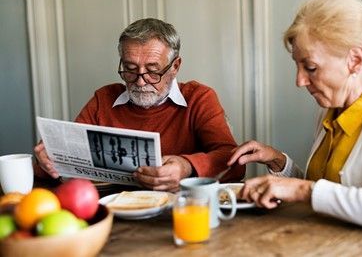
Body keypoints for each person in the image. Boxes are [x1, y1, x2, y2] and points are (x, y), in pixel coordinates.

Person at [228, 0, 362, 235]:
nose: (299, 80)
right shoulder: (330, 110)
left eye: (310, 67)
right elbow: (326, 191)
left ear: (355, 60)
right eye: (297, 66)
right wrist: (280, 163)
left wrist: (301, 190)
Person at [34, 18, 245, 192]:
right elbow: (66, 159)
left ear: (175, 67)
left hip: (182, 211)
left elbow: (233, 162)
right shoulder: (104, 98)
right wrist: (49, 158)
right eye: (130, 69)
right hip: (112, 211)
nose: (140, 81)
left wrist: (187, 166)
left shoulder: (199, 98)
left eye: (153, 70)